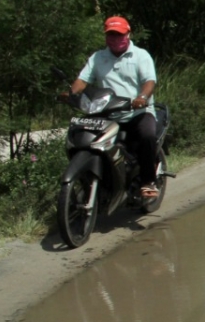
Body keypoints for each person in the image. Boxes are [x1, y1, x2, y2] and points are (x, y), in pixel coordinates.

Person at [63, 16, 160, 199]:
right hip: (106, 114)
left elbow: (149, 81)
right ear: (106, 37)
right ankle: (92, 179)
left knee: (147, 136)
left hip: (137, 112)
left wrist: (142, 97)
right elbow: (83, 80)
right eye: (111, 35)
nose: (115, 39)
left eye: (119, 35)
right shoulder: (98, 57)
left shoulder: (141, 56)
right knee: (84, 137)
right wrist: (71, 93)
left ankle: (148, 181)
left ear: (128, 34)